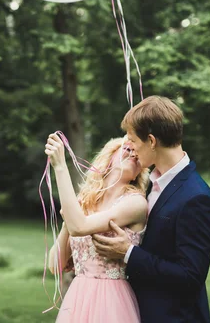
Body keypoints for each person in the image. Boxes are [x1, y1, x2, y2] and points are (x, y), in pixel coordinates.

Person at [91, 96, 210, 323]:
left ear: (151, 141)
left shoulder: (196, 198)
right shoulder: (150, 184)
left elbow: (190, 277)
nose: (128, 146)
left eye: (132, 139)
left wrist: (128, 253)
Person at [45, 135, 150, 323]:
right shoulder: (84, 204)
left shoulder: (135, 203)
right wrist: (66, 224)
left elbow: (80, 227)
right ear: (109, 158)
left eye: (137, 155)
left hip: (111, 300)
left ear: (138, 174)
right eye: (127, 149)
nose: (133, 154)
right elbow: (55, 266)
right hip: (78, 298)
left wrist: (60, 166)